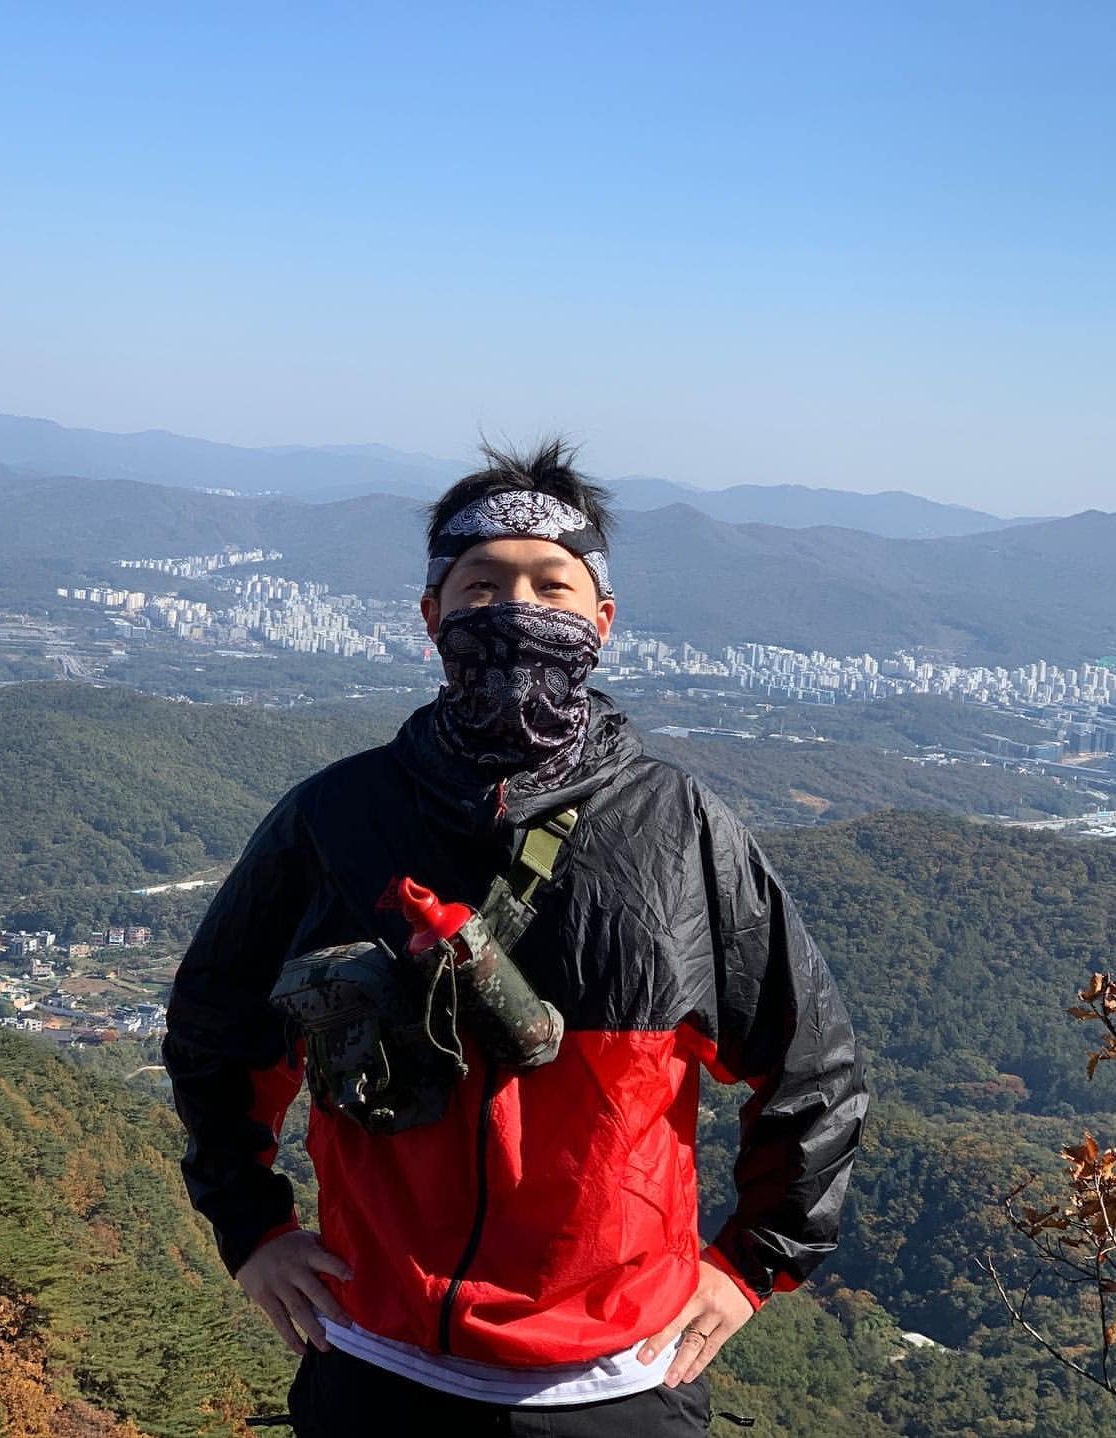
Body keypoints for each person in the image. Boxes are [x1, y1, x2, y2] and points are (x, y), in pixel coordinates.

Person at [163, 440, 867, 1435]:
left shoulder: (677, 830)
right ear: (432, 615)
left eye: (549, 585)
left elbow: (811, 1070)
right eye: (481, 586)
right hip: (373, 1357)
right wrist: (253, 1231)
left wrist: (750, 1262)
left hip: (617, 1379)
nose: (514, 609)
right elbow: (215, 1027)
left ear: (600, 620)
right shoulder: (337, 819)